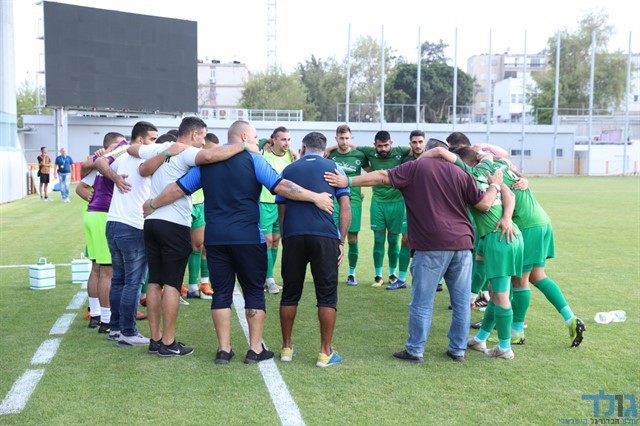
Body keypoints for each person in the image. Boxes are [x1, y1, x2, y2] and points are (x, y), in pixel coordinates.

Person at [144, 120, 334, 365]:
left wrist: (153, 204)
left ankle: (224, 350)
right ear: (244, 137)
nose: (257, 141)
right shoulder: (253, 159)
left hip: (216, 238)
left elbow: (177, 189)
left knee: (221, 293)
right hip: (248, 238)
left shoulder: (207, 162)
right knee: (253, 291)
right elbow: (281, 186)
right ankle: (255, 349)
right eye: (254, 137)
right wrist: (315, 197)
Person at [324, 138, 504, 363]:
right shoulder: (461, 173)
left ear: (428, 150)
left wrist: (347, 180)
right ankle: (458, 350)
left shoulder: (416, 167)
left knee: (422, 301)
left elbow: (382, 176)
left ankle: (416, 350)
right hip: (462, 243)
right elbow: (483, 205)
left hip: (430, 243)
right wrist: (495, 185)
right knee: (461, 303)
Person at [129, 117, 276, 357]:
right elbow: (207, 158)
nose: (204, 142)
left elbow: (136, 157)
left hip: (161, 224)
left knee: (156, 282)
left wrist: (152, 204)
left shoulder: (159, 148)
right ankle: (170, 342)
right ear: (195, 134)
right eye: (203, 136)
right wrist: (245, 147)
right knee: (174, 284)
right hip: (187, 225)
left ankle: (175, 342)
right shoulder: (194, 154)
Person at [423, 145, 523, 360]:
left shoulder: (466, 173)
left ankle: (505, 347)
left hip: (498, 238)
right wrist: (506, 217)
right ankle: (480, 339)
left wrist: (416, 163)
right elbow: (508, 193)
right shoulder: (486, 169)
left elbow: (439, 151)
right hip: (510, 234)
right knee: (495, 292)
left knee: (501, 295)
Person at [487, 155, 585, 347]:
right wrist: (524, 178)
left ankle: (516, 330)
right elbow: (512, 166)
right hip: (542, 221)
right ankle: (571, 319)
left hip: (527, 225)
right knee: (537, 275)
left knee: (519, 280)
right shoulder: (503, 164)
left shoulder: (487, 171)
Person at [277, 131, 351, 367]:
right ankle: (324, 352)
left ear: (303, 148)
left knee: (290, 292)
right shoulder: (335, 168)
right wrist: (341, 242)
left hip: (294, 236)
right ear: (324, 149)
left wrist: (286, 236)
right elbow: (345, 207)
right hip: (325, 237)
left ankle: (286, 348)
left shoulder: (289, 169)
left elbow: (281, 210)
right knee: (327, 295)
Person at [93, 121, 162, 346]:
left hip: (113, 223)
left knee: (119, 280)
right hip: (133, 226)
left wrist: (113, 176)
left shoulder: (122, 154)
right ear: (140, 140)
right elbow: (98, 161)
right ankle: (128, 332)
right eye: (152, 139)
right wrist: (115, 178)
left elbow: (100, 161)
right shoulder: (141, 157)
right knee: (132, 282)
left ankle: (115, 329)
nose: (155, 143)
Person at [327, 131, 410, 287]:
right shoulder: (368, 152)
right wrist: (330, 148)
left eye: (386, 145)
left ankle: (393, 274)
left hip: (397, 202)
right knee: (378, 239)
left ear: (391, 143)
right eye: (380, 146)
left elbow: (417, 150)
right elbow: (348, 146)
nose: (383, 149)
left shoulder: (401, 152)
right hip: (377, 202)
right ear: (374, 145)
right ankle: (378, 276)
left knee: (394, 240)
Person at [77, 132, 126, 335]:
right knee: (107, 270)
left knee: (97, 268)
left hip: (92, 214)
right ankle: (107, 321)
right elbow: (81, 185)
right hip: (102, 215)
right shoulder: (111, 161)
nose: (124, 146)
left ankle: (96, 315)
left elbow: (81, 184)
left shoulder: (101, 163)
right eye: (120, 144)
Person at [326, 124, 369, 286]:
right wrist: (330, 149)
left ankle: (351, 273)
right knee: (331, 236)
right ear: (336, 138)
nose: (344, 141)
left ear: (351, 138)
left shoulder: (359, 155)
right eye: (341, 138)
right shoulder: (330, 156)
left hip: (354, 201)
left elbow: (371, 172)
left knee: (352, 238)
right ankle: (330, 271)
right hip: (334, 201)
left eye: (347, 138)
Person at [387, 130, 426, 290]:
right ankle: (402, 278)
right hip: (409, 205)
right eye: (414, 142)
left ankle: (436, 280)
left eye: (420, 142)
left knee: (431, 241)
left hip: (430, 206)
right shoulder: (405, 159)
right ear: (410, 144)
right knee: (406, 239)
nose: (418, 145)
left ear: (425, 142)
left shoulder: (434, 157)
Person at [259, 127, 296, 294]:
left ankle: (268, 278)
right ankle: (269, 279)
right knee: (266, 241)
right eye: (283, 139)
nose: (287, 143)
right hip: (265, 203)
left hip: (282, 204)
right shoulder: (263, 153)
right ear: (273, 140)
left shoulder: (291, 157)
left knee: (276, 241)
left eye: (288, 139)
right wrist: (266, 141)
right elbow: (256, 143)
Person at [183, 132, 219, 300]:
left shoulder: (209, 160)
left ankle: (198, 285)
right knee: (180, 248)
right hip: (183, 206)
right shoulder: (187, 156)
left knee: (200, 246)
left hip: (201, 205)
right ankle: (178, 285)